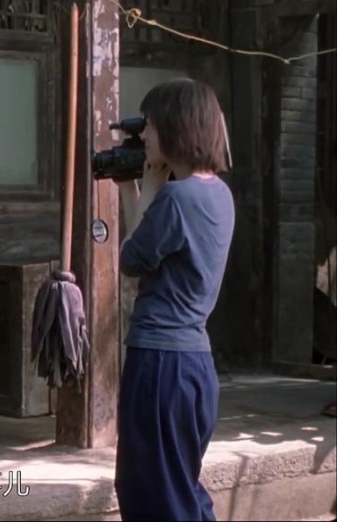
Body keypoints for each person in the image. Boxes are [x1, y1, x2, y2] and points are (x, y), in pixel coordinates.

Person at [113, 78, 235, 521]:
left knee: (151, 494)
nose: (143, 134)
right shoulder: (218, 193)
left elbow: (130, 258)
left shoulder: (177, 198)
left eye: (149, 124)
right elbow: (146, 245)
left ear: (174, 126)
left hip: (160, 364)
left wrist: (147, 189)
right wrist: (133, 187)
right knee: (177, 488)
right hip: (195, 367)